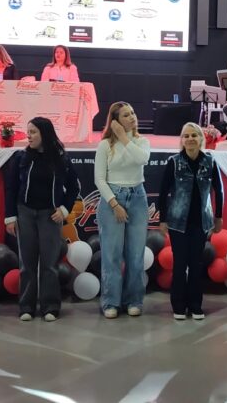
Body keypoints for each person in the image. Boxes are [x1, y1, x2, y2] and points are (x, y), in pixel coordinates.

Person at [5, 117, 79, 321]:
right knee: (27, 264)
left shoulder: (61, 158)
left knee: (49, 264)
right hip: (25, 214)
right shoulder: (20, 158)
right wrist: (10, 216)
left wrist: (64, 209)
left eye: (33, 132)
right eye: (28, 132)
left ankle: (50, 306)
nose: (28, 136)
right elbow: (11, 188)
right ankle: (26, 307)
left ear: (45, 134)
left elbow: (74, 187)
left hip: (50, 216)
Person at [158, 122, 224, 320]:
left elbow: (219, 190)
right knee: (180, 264)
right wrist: (163, 219)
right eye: (186, 136)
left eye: (194, 135)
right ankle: (178, 305)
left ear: (201, 138)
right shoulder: (174, 162)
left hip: (201, 222)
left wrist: (219, 216)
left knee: (196, 264)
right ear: (182, 140)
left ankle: (195, 305)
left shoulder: (210, 161)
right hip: (178, 223)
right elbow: (163, 192)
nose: (190, 139)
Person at [94, 102, 150, 319]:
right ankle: (111, 301)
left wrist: (124, 137)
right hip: (112, 198)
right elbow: (99, 179)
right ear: (115, 121)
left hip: (137, 197)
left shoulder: (141, 141)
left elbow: (142, 159)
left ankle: (134, 300)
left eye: (133, 113)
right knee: (112, 255)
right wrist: (114, 204)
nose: (132, 117)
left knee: (135, 255)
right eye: (126, 115)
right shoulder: (105, 145)